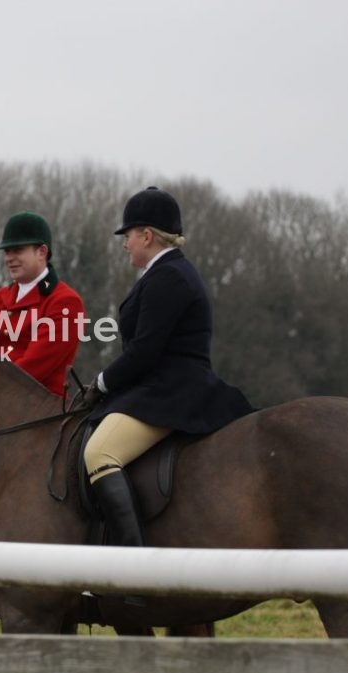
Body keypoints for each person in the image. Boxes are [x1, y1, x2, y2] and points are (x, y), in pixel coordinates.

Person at [83, 187, 253, 547]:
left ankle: (133, 565)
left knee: (99, 453)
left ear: (146, 235)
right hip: (162, 384)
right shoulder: (165, 273)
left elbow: (144, 352)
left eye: (127, 235)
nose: (125, 243)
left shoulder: (169, 277)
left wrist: (100, 382)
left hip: (172, 391)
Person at [0, 211, 86, 397]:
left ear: (42, 252)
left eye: (18, 250)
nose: (9, 258)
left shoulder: (65, 302)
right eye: (7, 251)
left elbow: (32, 370)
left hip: (39, 408)